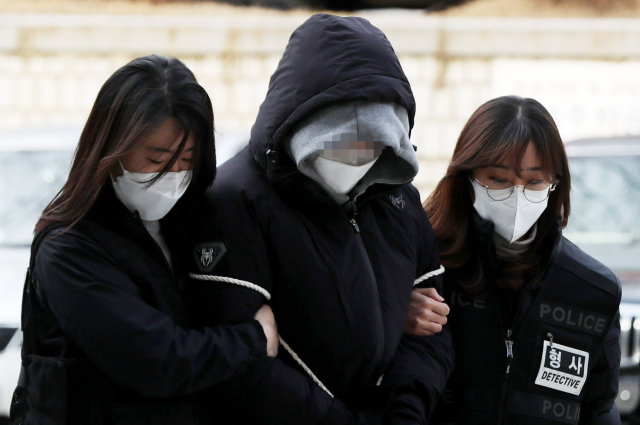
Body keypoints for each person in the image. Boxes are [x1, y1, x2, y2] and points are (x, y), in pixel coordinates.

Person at [187, 14, 454, 425]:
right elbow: (239, 356)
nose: (355, 162)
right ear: (298, 130)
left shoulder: (397, 198)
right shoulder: (235, 201)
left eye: (371, 149)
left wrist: (406, 412)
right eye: (338, 147)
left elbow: (432, 325)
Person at [9, 54, 279, 425]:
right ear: (111, 149)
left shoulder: (192, 223)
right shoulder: (69, 248)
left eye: (187, 159)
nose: (174, 175)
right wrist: (252, 339)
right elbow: (158, 360)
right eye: (159, 159)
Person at [413, 96, 621, 424]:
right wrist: (394, 313)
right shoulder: (425, 267)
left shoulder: (591, 290)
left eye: (534, 182)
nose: (517, 196)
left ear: (556, 184)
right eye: (499, 180)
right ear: (466, 178)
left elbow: (599, 408)